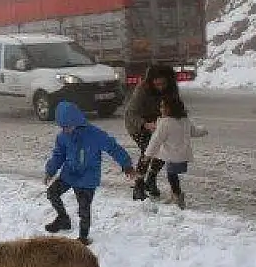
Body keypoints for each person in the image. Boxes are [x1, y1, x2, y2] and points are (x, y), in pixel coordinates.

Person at [44, 101, 135, 245]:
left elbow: (113, 148)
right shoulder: (62, 137)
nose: (65, 130)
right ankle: (63, 219)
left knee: (84, 209)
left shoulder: (95, 134)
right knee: (52, 193)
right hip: (69, 174)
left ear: (77, 121)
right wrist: (50, 170)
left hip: (87, 178)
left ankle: (83, 237)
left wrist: (126, 165)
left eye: (67, 126)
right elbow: (58, 155)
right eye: (62, 127)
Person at [123, 64, 180, 200]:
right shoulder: (142, 89)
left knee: (164, 151)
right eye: (157, 84)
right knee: (148, 151)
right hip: (138, 123)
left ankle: (151, 179)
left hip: (159, 123)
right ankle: (138, 185)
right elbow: (131, 113)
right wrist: (145, 124)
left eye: (163, 84)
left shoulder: (172, 90)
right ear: (151, 81)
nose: (160, 87)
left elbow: (176, 108)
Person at [142, 96, 208, 209]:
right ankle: (175, 195)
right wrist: (204, 130)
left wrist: (147, 155)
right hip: (183, 154)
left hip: (172, 155)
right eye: (161, 106)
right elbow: (194, 131)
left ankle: (178, 197)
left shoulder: (165, 123)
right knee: (173, 175)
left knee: (171, 176)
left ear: (171, 109)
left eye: (163, 107)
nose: (161, 109)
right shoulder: (184, 120)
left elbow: (155, 141)